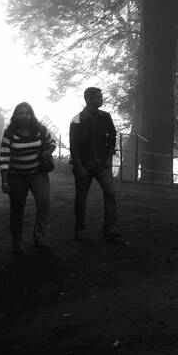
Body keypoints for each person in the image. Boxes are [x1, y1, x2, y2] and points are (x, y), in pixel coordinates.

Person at [0, 102, 56, 254]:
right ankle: (17, 243)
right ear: (15, 116)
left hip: (38, 174)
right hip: (16, 177)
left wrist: (48, 152)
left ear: (31, 115)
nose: (24, 115)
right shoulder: (9, 134)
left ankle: (40, 238)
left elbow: (52, 142)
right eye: (21, 113)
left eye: (27, 113)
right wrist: (4, 181)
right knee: (17, 210)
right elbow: (4, 158)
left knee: (44, 203)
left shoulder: (40, 130)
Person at [69, 86, 122, 242]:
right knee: (81, 198)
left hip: (101, 164)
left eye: (101, 96)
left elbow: (112, 136)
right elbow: (74, 145)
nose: (101, 99)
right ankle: (80, 229)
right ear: (88, 99)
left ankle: (110, 229)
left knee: (110, 193)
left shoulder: (105, 117)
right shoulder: (77, 120)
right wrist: (78, 165)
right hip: (84, 164)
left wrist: (108, 157)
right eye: (98, 97)